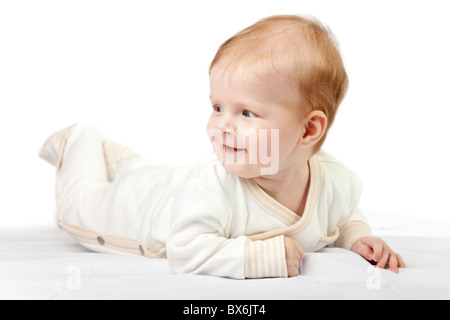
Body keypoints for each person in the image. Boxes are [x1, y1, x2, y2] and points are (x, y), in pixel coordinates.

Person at [39, 15, 405, 279]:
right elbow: (184, 251)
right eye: (217, 107)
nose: (221, 125)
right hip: (138, 212)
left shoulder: (335, 180)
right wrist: (256, 257)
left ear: (309, 129)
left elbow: (344, 216)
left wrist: (358, 239)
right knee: (78, 204)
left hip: (175, 184)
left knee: (155, 175)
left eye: (246, 112)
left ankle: (124, 161)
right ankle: (81, 140)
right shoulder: (213, 180)